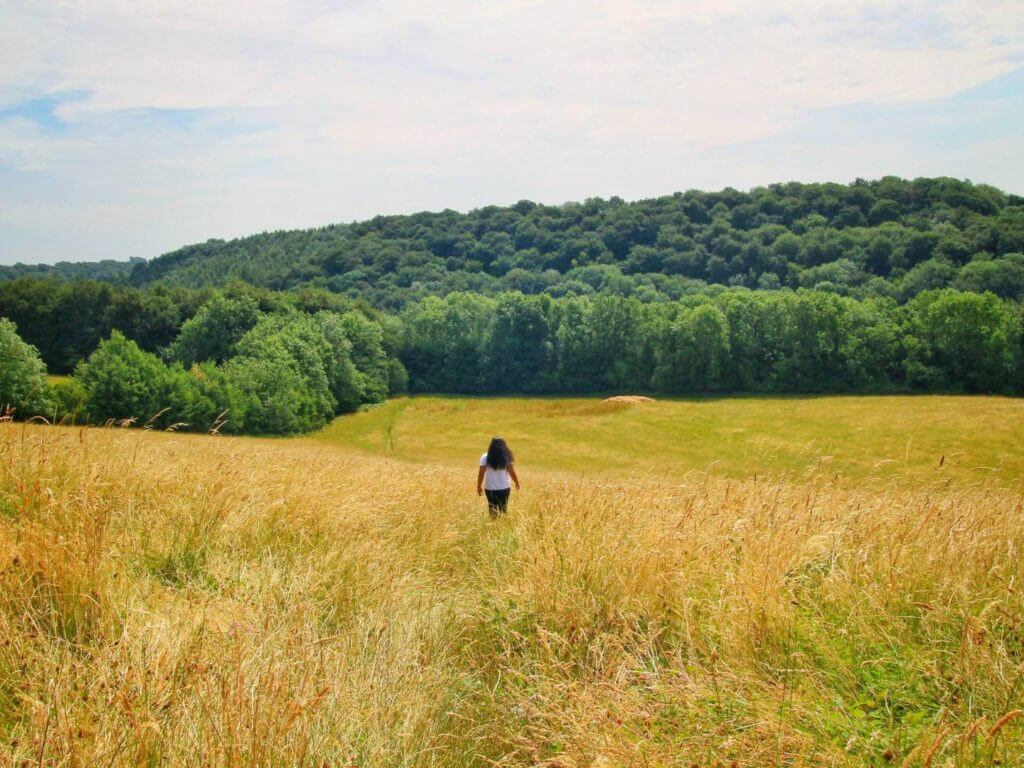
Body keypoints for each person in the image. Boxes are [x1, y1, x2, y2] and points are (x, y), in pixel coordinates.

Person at [477, 436, 520, 517]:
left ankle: (493, 526)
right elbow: (511, 471)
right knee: (503, 509)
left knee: (492, 509)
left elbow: (481, 473)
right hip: (504, 487)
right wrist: (516, 482)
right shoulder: (507, 457)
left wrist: (479, 486)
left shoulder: (485, 457)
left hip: (490, 488)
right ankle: (502, 526)